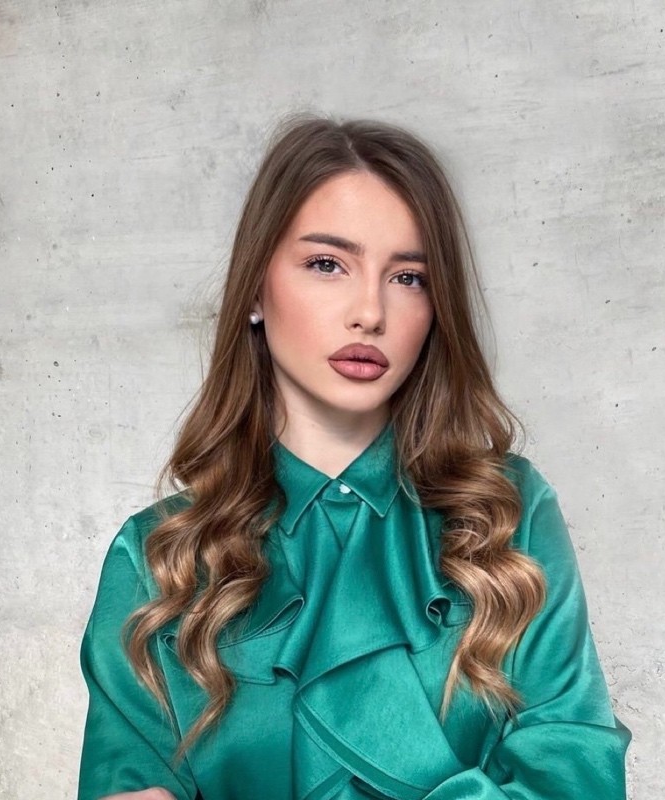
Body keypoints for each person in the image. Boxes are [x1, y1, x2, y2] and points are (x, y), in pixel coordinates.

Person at [77, 115, 632, 800]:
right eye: (326, 264)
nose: (369, 311)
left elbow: (572, 772)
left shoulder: (506, 517)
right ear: (255, 287)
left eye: (408, 278)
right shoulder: (157, 557)